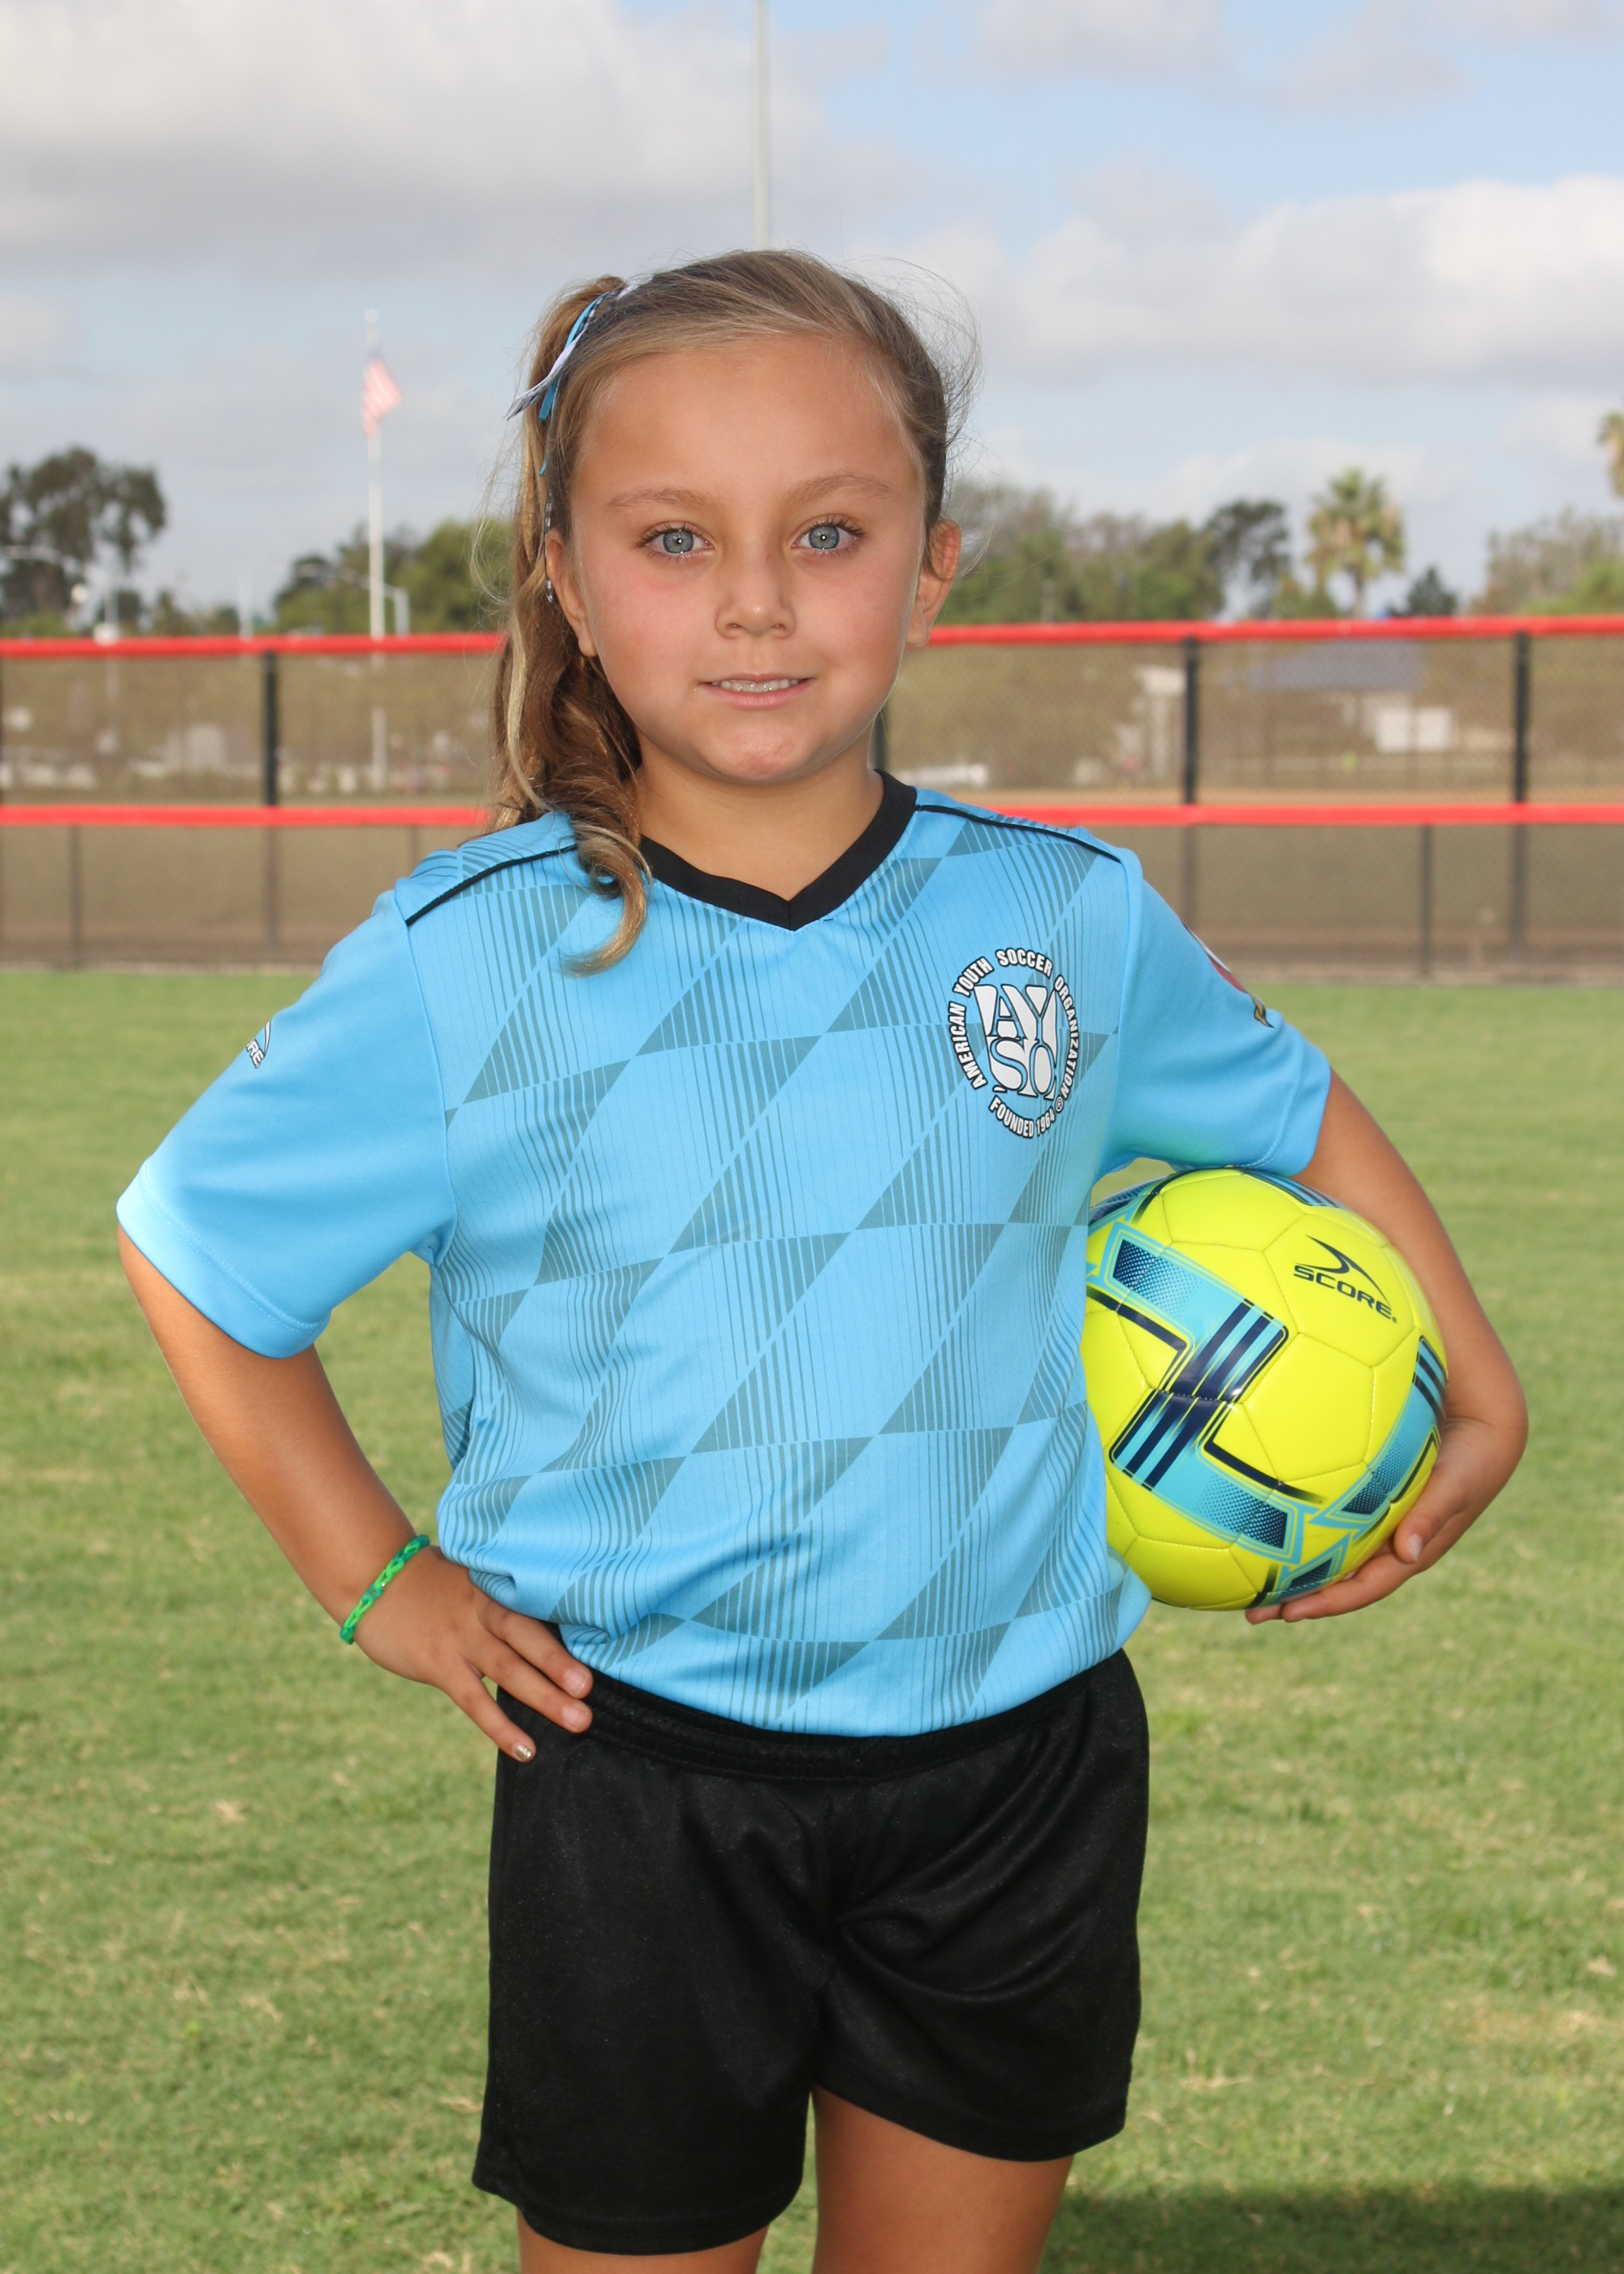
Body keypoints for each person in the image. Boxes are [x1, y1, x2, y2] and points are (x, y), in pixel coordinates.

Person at [118, 250, 1527, 2274]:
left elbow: (1288, 1106)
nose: (758, 601)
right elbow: (197, 1249)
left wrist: (1475, 1378)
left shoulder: (1061, 914)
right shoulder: (469, 957)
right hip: (643, 1774)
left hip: (1019, 1764)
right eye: (675, 538)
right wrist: (377, 1575)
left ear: (933, 565)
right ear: (566, 575)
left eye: (831, 533)